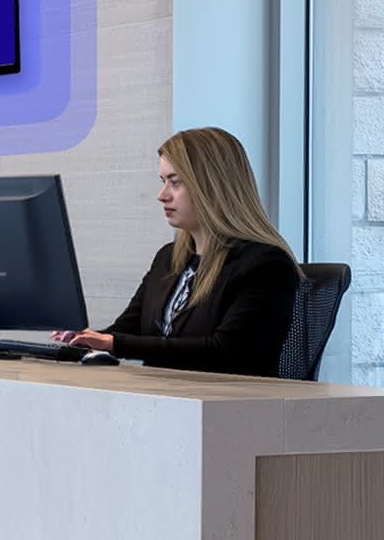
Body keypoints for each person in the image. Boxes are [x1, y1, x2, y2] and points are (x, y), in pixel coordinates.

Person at [57, 128, 301, 376]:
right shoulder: (169, 258)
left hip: (225, 406)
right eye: (163, 182)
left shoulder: (266, 265)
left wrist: (113, 343)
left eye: (175, 183)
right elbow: (126, 329)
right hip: (167, 399)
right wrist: (86, 340)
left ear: (212, 186)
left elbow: (225, 350)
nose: (162, 196)